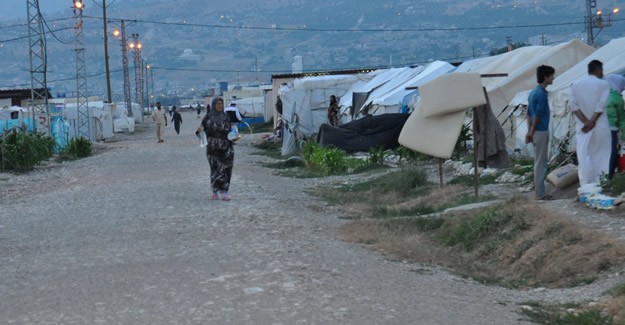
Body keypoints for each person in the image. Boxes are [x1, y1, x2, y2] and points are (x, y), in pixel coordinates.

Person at [569, 60, 611, 185]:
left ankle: (586, 185)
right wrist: (592, 121)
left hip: (583, 128)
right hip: (601, 126)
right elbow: (601, 105)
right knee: (603, 155)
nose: (602, 73)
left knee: (584, 155)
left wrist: (585, 122)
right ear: (598, 70)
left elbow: (572, 105)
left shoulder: (575, 85)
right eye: (601, 70)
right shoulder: (603, 84)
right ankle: (602, 183)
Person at [525, 65, 555, 200]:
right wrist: (532, 131)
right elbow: (538, 115)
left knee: (538, 161)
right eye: (551, 76)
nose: (553, 78)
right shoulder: (541, 94)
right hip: (541, 130)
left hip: (535, 131)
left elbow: (528, 114)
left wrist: (529, 131)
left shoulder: (533, 92)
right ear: (545, 77)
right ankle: (540, 194)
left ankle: (539, 192)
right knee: (541, 163)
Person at [200, 97, 234, 201]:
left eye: (221, 103)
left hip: (226, 147)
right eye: (218, 104)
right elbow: (201, 132)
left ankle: (224, 191)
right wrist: (200, 132)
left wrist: (234, 136)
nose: (220, 105)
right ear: (214, 105)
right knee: (215, 169)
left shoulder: (226, 116)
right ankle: (215, 191)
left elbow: (231, 130)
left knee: (226, 169)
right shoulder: (208, 117)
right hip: (212, 148)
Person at [605, 74, 625, 178]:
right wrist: (623, 136)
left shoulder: (603, 95)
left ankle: (603, 175)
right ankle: (610, 176)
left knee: (604, 152)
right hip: (612, 129)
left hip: (600, 129)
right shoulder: (617, 98)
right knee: (613, 151)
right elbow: (621, 119)